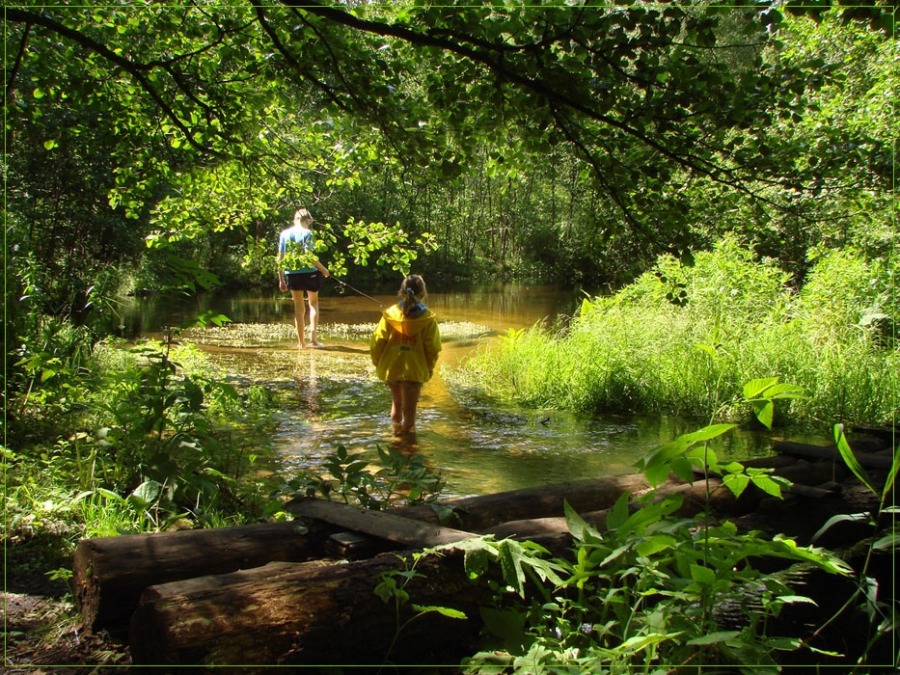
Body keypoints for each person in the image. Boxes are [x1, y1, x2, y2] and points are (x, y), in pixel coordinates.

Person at [370, 275, 441, 435]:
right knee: (410, 415)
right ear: (423, 295)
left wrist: (379, 364)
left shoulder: (390, 314)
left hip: (392, 368)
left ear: (402, 293)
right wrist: (428, 369)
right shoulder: (428, 318)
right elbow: (433, 348)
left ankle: (395, 443)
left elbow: (377, 343)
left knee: (396, 404)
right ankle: (408, 449)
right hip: (415, 371)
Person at [277, 208, 330, 349]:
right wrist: (323, 269)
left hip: (291, 273)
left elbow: (280, 258)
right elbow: (308, 255)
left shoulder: (284, 234)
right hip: (309, 273)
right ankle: (314, 339)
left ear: (295, 219)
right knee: (313, 304)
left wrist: (281, 278)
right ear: (308, 220)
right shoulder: (307, 233)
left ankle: (301, 343)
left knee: (298, 309)